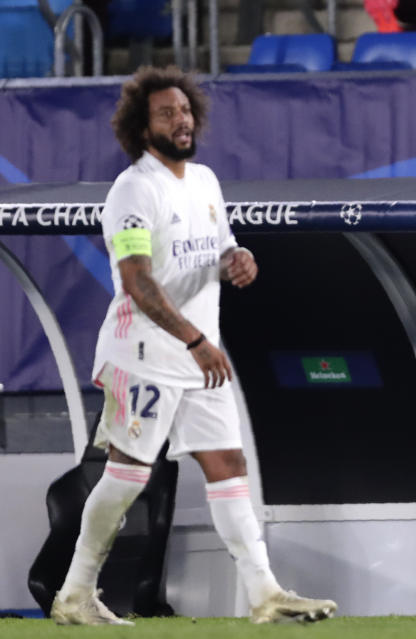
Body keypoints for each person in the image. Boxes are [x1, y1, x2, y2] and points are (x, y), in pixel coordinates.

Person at [50, 66, 337, 626]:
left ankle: (265, 594)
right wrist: (197, 340)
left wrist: (237, 261)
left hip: (198, 356)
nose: (181, 119)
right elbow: (137, 279)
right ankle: (76, 591)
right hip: (144, 357)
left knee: (228, 465)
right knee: (128, 475)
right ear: (140, 127)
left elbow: (220, 249)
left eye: (184, 110)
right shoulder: (133, 190)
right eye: (166, 113)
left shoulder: (204, 181)